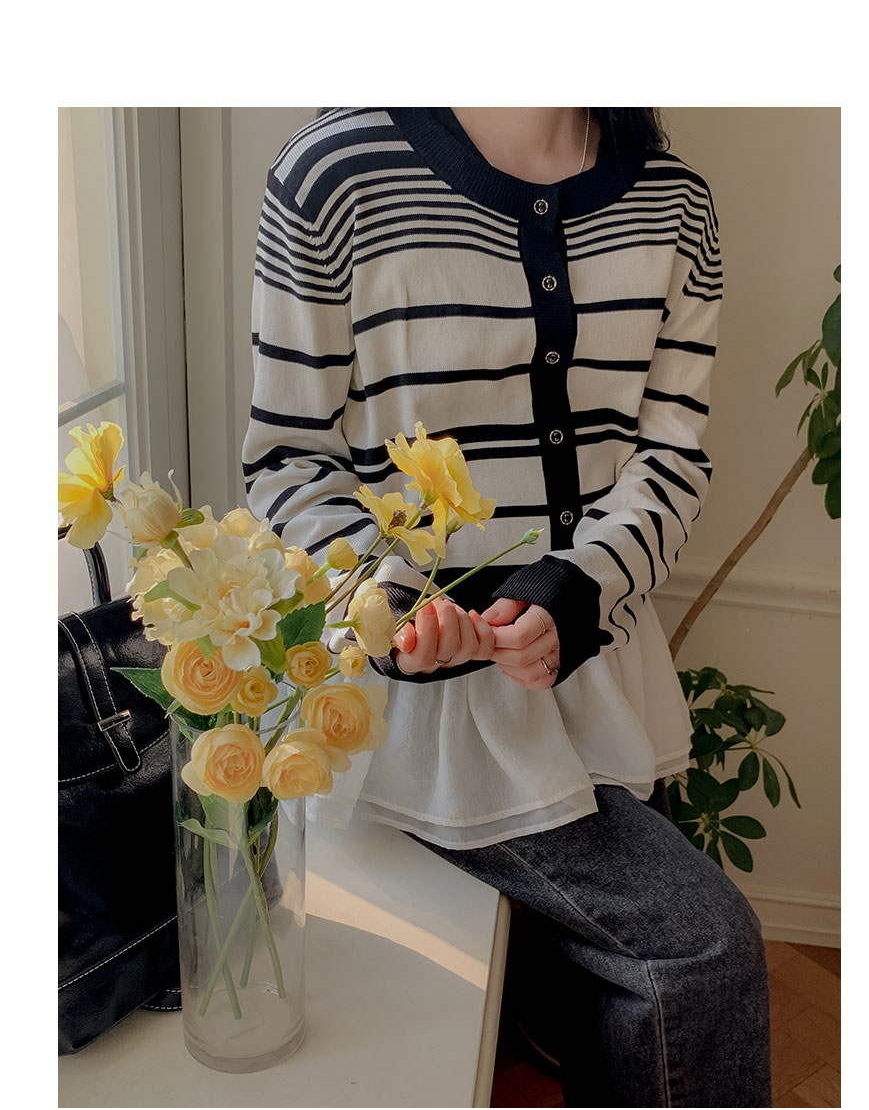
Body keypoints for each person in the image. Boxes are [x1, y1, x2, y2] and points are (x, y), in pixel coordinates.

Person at [240, 107, 772, 1107]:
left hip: (602, 666)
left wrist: (579, 587)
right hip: (418, 715)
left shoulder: (673, 202)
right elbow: (286, 460)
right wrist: (388, 605)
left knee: (593, 1005)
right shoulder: (336, 176)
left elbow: (669, 456)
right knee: (696, 948)